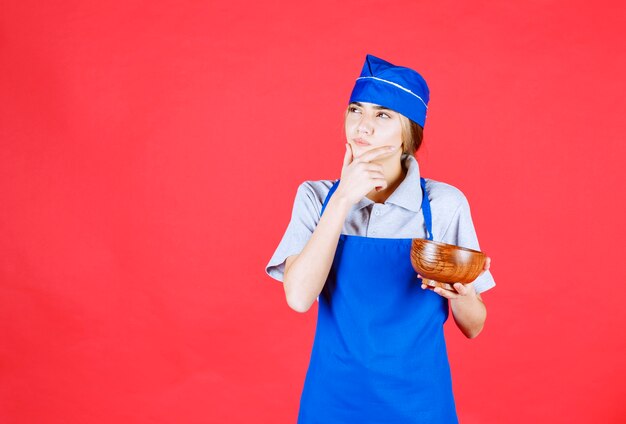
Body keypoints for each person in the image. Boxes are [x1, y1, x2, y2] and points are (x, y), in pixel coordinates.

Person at [265, 54, 496, 423]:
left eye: (382, 115)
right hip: (332, 401)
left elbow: (474, 325)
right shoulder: (317, 197)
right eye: (356, 110)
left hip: (419, 404)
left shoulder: (442, 204)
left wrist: (463, 294)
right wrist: (342, 199)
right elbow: (298, 297)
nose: (362, 126)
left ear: (408, 134)